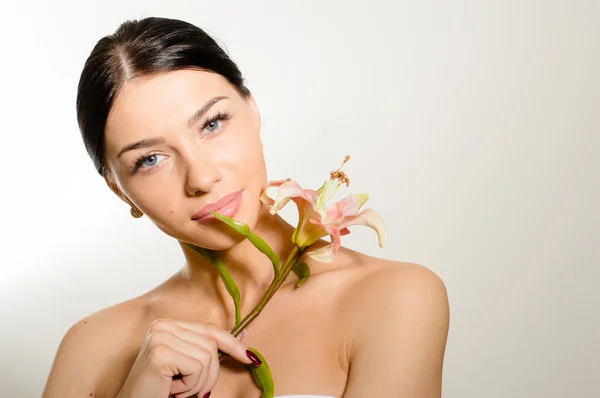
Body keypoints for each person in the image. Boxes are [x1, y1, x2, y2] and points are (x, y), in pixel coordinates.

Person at [42, 16, 450, 398]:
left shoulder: (393, 298)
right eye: (149, 159)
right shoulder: (90, 349)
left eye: (212, 123)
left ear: (252, 110)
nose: (201, 178)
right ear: (119, 191)